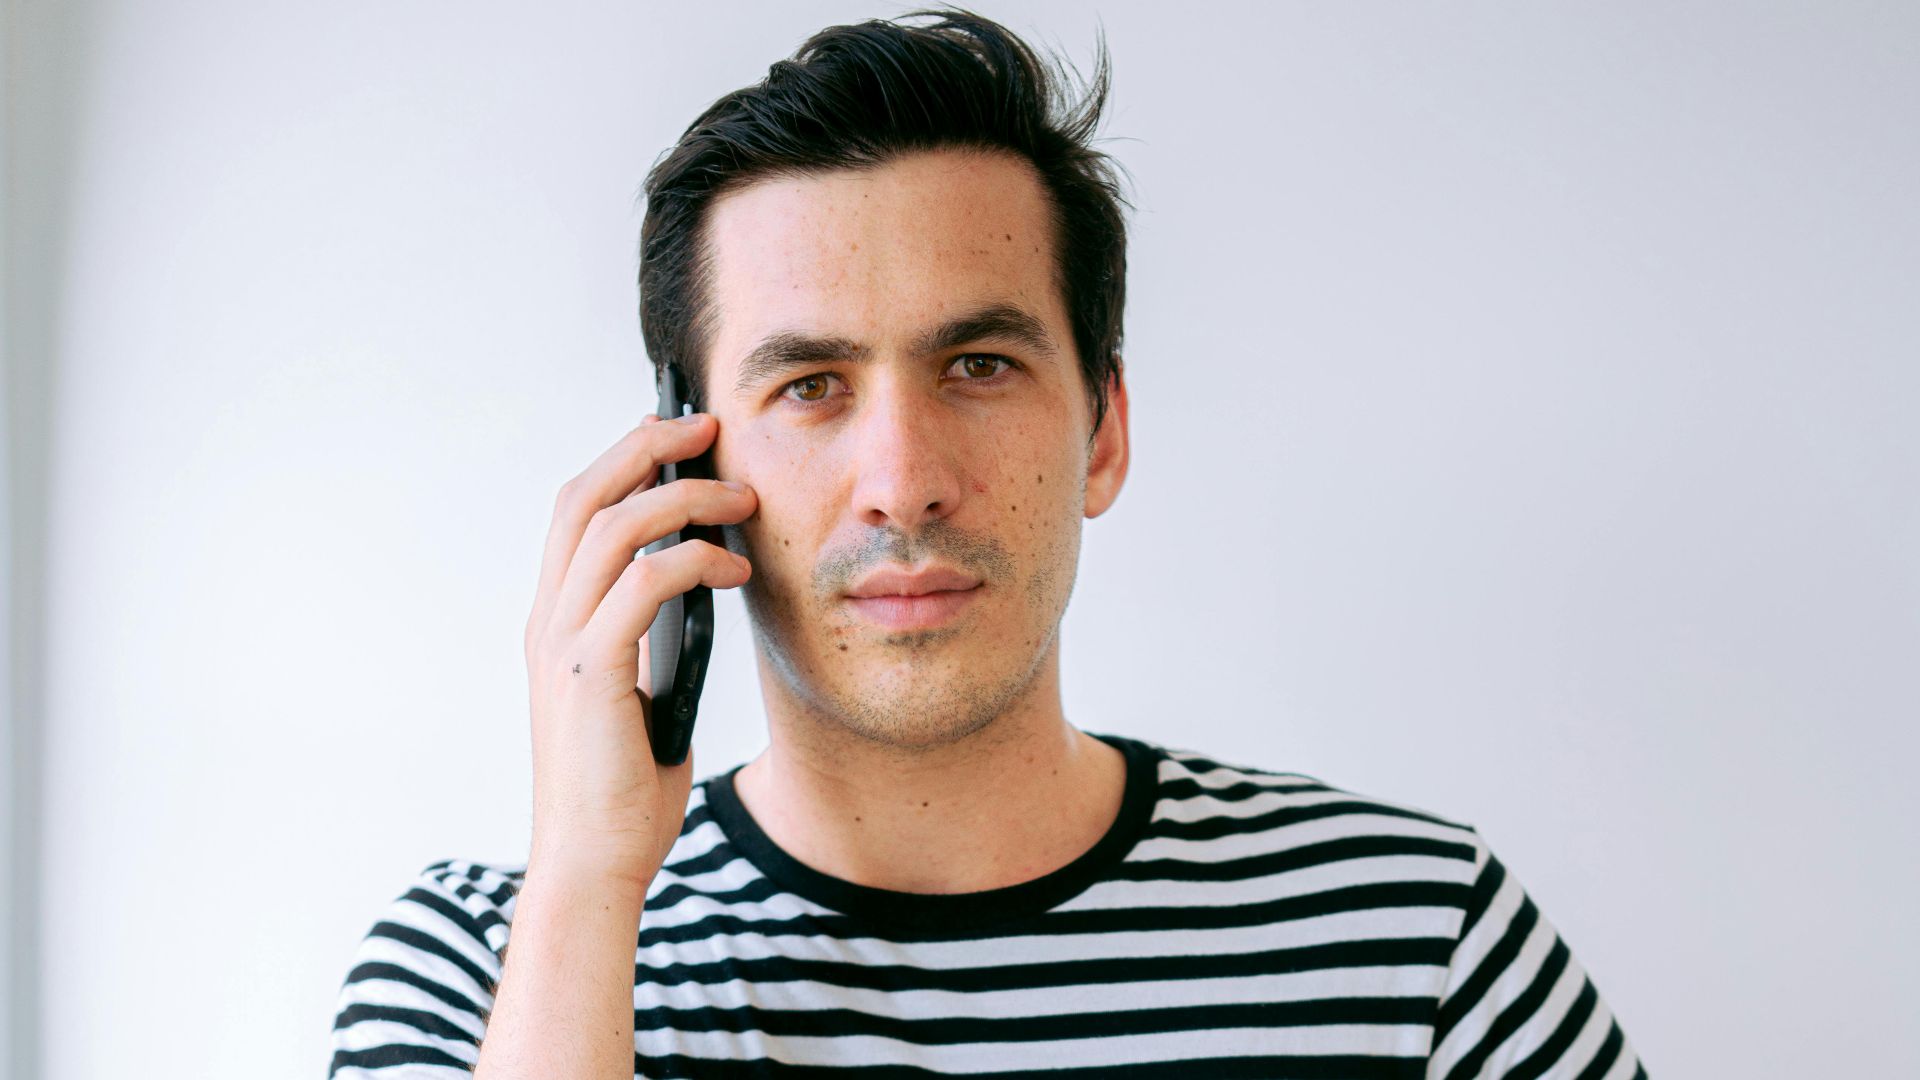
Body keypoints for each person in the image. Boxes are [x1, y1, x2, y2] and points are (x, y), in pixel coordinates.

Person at [328, 8, 1647, 1077]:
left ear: (1104, 433)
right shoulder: (480, 968)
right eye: (810, 387)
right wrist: (588, 884)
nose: (902, 484)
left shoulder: (1419, 944)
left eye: (977, 363)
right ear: (687, 462)